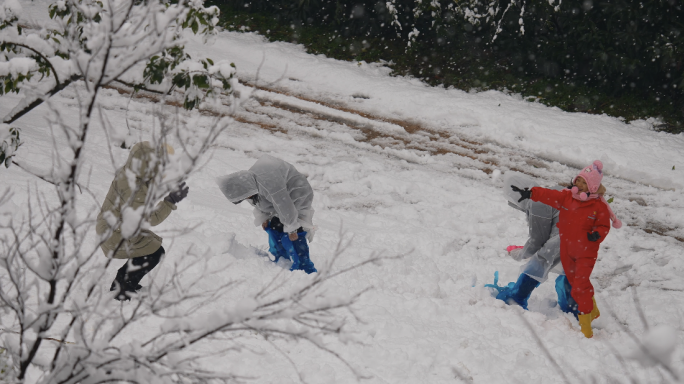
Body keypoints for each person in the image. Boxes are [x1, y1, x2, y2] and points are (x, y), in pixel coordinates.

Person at [511, 160, 621, 338]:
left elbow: (603, 226)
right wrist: (532, 192)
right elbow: (549, 195)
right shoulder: (568, 197)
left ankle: (586, 327)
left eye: (584, 182)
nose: (578, 184)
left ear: (592, 187)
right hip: (567, 250)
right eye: (578, 180)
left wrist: (596, 235)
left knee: (579, 287)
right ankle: (592, 310)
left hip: (586, 252)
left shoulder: (598, 206)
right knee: (576, 282)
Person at [495, 172, 608, 316]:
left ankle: (516, 298)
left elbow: (537, 241)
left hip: (566, 237)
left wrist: (521, 254)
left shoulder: (536, 203)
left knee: (540, 262)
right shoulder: (556, 190)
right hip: (583, 240)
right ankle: (574, 308)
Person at [96, 142, 189, 301]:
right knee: (154, 253)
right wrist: (170, 201)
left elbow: (146, 186)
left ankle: (123, 281)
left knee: (148, 247)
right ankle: (123, 288)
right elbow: (150, 219)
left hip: (114, 226)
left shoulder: (130, 172)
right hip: (114, 234)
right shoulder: (133, 189)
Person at [217, 155, 317, 274]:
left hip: (297, 192)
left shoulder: (268, 183)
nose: (247, 198)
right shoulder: (247, 184)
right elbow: (260, 202)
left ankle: (304, 267)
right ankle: (281, 256)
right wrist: (264, 217)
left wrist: (292, 228)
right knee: (275, 226)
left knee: (293, 231)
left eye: (245, 197)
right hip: (279, 194)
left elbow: (285, 205)